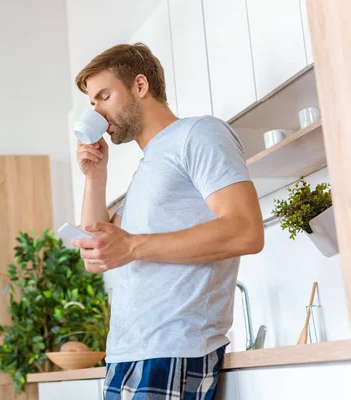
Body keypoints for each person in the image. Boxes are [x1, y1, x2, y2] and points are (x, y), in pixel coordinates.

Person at [71, 42, 264, 399]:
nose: (97, 113)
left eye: (104, 97)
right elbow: (95, 254)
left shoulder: (199, 133)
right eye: (92, 104)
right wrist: (94, 177)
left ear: (140, 86)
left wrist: (131, 245)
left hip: (174, 347)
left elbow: (246, 230)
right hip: (126, 353)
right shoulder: (146, 169)